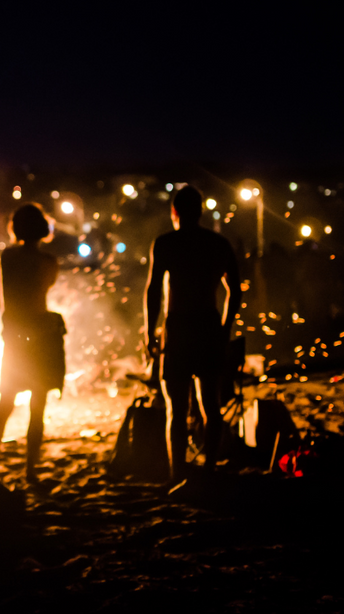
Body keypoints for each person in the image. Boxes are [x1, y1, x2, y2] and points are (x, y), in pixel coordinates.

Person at [143, 185, 241, 482]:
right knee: (210, 403)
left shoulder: (166, 243)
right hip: (209, 325)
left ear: (175, 212)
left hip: (179, 326)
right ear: (200, 211)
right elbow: (235, 291)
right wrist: (225, 328)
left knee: (176, 406)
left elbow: (153, 292)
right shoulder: (218, 243)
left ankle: (177, 472)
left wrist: (151, 331)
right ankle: (210, 468)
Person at [0, 204, 65, 482]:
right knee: (37, 407)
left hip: (16, 334)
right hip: (42, 334)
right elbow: (46, 287)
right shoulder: (49, 262)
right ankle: (30, 469)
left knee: (5, 403)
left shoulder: (7, 257)